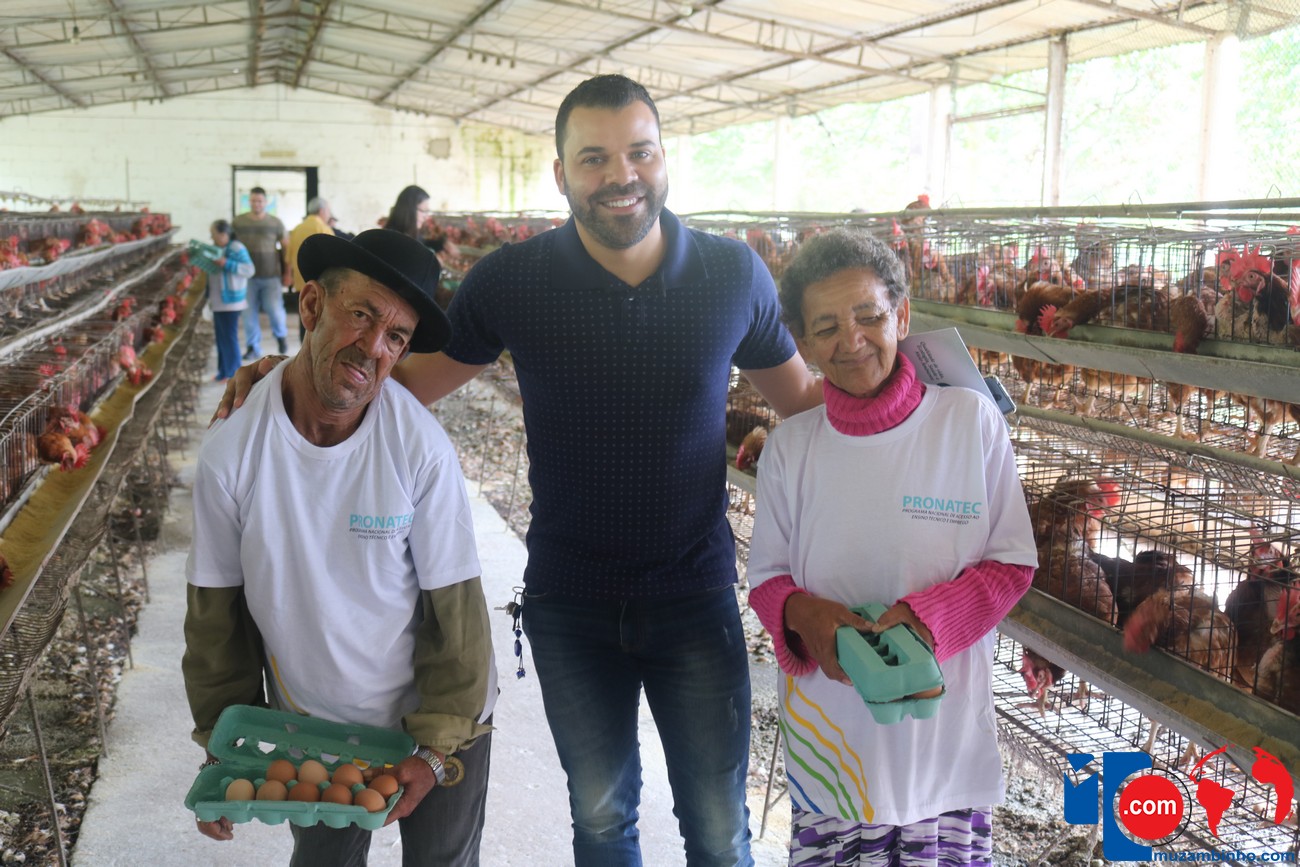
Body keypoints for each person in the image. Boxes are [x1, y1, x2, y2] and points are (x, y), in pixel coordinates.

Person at [217, 74, 821, 866]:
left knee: (718, 827)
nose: (621, 174)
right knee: (602, 820)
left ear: (665, 158)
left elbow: (804, 401)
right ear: (561, 172)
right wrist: (293, 373)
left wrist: (913, 384)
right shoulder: (514, 280)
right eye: (594, 157)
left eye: (639, 152)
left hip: (694, 595)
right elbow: (406, 381)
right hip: (571, 602)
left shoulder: (730, 275)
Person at [183, 228, 496, 867]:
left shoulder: (420, 449)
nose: (374, 347)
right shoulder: (232, 454)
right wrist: (222, 745)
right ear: (311, 305)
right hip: (313, 724)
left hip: (432, 711)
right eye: (361, 316)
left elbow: (457, 619)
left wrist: (437, 747)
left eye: (397, 337)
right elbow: (216, 619)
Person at [746, 228, 1038, 866]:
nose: (851, 340)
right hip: (833, 745)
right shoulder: (792, 447)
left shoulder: (968, 420)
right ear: (802, 342)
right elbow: (766, 578)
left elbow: (1012, 562)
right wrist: (805, 617)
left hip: (943, 742)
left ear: (901, 317)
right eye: (826, 327)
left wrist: (928, 623)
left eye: (870, 317)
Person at [233, 186, 292, 358]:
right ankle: (253, 347)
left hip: (271, 276)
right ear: (249, 201)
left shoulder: (275, 223)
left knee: (275, 310)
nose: (256, 204)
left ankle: (281, 336)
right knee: (248, 313)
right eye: (253, 200)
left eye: (259, 201)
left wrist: (287, 273)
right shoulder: (238, 222)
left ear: (265, 202)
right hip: (246, 278)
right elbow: (231, 246)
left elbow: (287, 249)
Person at [203, 219, 253, 382]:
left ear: (224, 234)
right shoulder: (218, 249)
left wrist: (226, 263)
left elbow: (249, 269)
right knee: (221, 338)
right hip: (218, 300)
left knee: (229, 337)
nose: (212, 237)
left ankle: (233, 373)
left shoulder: (236, 248)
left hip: (231, 301)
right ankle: (223, 371)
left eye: (214, 234)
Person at [287, 196, 334, 342]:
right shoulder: (324, 229)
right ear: (322, 211)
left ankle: (303, 344)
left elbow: (288, 255)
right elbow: (333, 259)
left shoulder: (297, 229)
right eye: (328, 211)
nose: (329, 215)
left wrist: (288, 275)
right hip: (321, 283)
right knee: (318, 317)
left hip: (300, 281)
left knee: (304, 312)